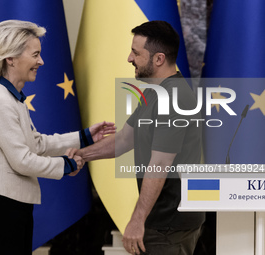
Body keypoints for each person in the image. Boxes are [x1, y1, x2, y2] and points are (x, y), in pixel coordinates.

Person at [0, 20, 115, 255]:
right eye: (35, 54)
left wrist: (84, 137)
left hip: (11, 208)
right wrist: (67, 165)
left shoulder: (12, 98)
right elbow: (22, 160)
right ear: (11, 58)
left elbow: (37, 144)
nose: (41, 61)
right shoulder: (0, 102)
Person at [69, 20, 205, 255]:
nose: (129, 58)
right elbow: (123, 140)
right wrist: (81, 155)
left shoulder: (173, 99)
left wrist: (137, 219)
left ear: (159, 59)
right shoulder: (156, 93)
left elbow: (160, 164)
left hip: (168, 224)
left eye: (135, 53)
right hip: (162, 221)